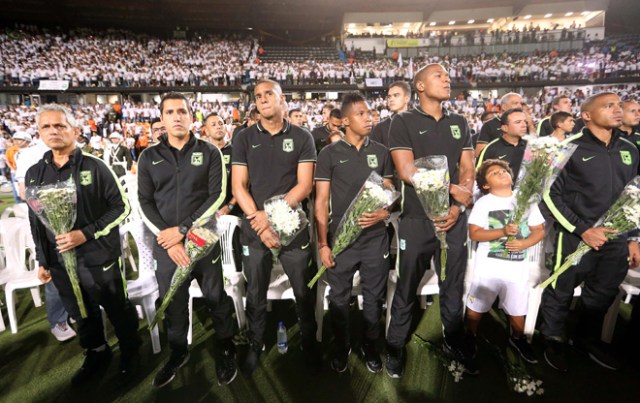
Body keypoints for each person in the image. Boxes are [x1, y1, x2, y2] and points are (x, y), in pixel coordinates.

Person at [26, 103, 140, 385]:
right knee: (80, 310)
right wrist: (42, 258)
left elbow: (121, 207)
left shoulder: (96, 166)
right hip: (59, 261)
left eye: (60, 125)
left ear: (75, 130)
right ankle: (97, 352)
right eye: (46, 126)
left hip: (99, 257)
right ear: (39, 132)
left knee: (116, 307)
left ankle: (131, 350)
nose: (53, 131)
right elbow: (36, 220)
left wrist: (86, 233)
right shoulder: (34, 174)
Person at [137, 92, 237, 387]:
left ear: (192, 117)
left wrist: (183, 230)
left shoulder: (209, 151)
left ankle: (226, 345)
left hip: (204, 239)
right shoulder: (148, 156)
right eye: (170, 112)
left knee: (216, 297)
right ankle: (178, 352)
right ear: (162, 118)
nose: (177, 116)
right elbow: (144, 201)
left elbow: (216, 196)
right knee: (173, 301)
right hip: (167, 246)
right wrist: (171, 239)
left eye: (182, 111)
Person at [386, 64, 475, 378]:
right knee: (406, 285)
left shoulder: (459, 121)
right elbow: (406, 171)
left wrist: (458, 206)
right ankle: (395, 344)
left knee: (453, 284)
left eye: (448, 76)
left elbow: (468, 167)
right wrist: (452, 189)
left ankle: (453, 338)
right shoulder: (403, 121)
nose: (447, 79)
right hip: (417, 220)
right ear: (420, 86)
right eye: (439, 76)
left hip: (453, 220)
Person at [540, 92, 640, 372]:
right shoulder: (567, 147)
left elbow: (634, 195)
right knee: (561, 288)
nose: (617, 110)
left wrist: (633, 237)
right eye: (609, 106)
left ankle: (585, 337)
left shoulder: (630, 149)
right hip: (575, 235)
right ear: (586, 115)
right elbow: (549, 195)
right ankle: (552, 336)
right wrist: (582, 230)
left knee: (603, 291)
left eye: (619, 105)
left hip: (616, 238)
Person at [231, 79, 320, 376]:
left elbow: (305, 185)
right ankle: (256, 344)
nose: (263, 99)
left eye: (269, 94)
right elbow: (239, 186)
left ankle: (309, 342)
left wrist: (272, 215)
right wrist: (260, 220)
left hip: (291, 226)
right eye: (258, 96)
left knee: (303, 291)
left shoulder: (302, 136)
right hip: (254, 228)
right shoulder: (243, 138)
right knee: (254, 292)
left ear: (282, 99)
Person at [314, 92, 394, 374]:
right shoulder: (328, 154)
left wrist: (387, 209)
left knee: (374, 298)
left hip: (375, 239)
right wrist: (323, 244)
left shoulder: (382, 152)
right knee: (339, 298)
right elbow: (321, 202)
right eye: (361, 113)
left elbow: (389, 191)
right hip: (341, 239)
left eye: (370, 112)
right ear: (345, 121)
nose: (369, 117)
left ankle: (370, 345)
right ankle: (341, 345)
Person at [466, 159, 545, 367]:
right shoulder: (485, 203)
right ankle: (470, 336)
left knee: (518, 305)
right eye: (494, 173)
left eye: (504, 170)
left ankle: (517, 338)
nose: (502, 173)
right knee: (477, 306)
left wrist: (524, 243)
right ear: (485, 185)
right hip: (489, 267)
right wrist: (501, 231)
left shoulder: (526, 199)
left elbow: (539, 230)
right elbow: (474, 233)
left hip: (517, 266)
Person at [475, 108, 528, 181]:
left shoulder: (531, 146)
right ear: (505, 128)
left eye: (525, 122)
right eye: (518, 122)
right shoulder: (491, 149)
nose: (524, 125)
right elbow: (479, 175)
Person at [475, 93, 533, 157]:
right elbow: (479, 154)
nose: (519, 106)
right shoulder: (489, 125)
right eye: (515, 103)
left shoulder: (525, 123)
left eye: (521, 103)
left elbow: (535, 147)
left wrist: (530, 126)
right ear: (504, 107)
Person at [371, 81, 411, 148]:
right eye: (389, 97)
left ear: (406, 99)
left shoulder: (419, 122)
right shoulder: (380, 128)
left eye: (396, 95)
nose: (391, 99)